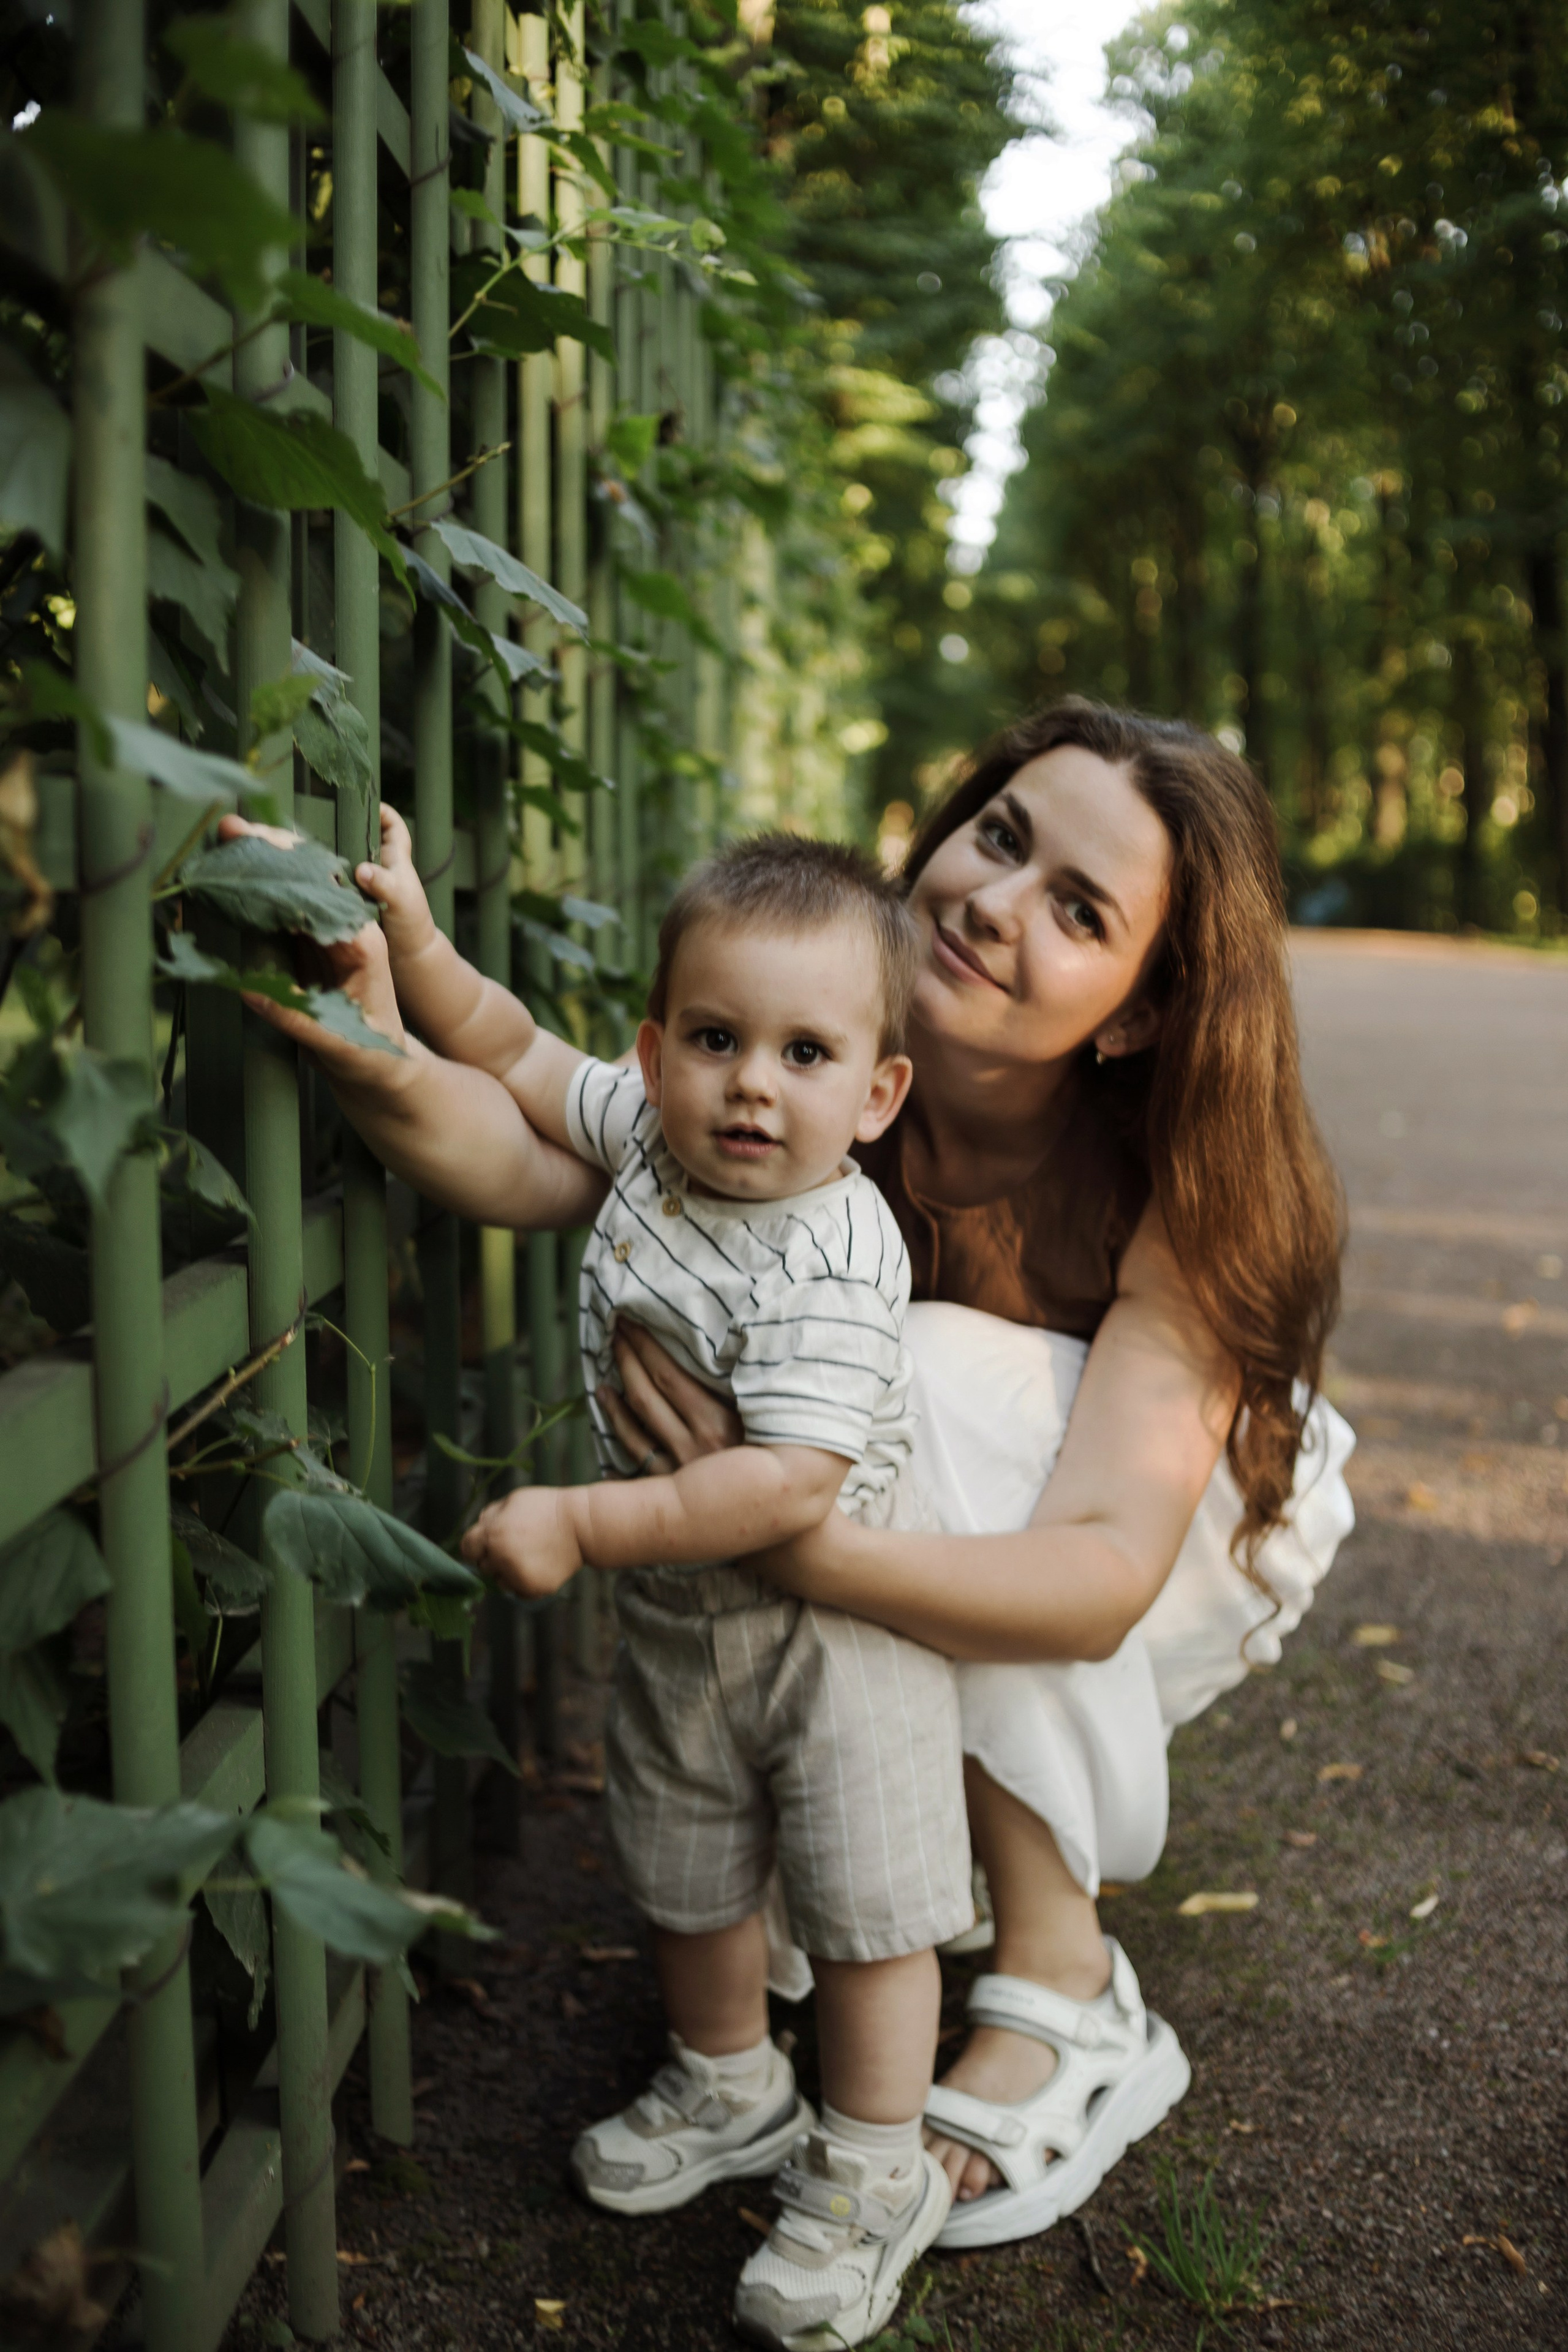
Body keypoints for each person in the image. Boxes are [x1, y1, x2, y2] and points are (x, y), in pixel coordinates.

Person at [578, 700, 1355, 2248]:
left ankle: (1070, 1986)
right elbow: (556, 1137)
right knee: (817, 1353)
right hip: (953, 1486)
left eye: (1079, 913)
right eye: (998, 837)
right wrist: (379, 1034)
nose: (996, 906)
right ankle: (894, 1859)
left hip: (1181, 1529)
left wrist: (778, 1534)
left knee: (902, 1372)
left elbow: (1090, 1578)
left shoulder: (1182, 1180)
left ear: (1135, 1011)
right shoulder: (808, 1040)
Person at [226, 812, 975, 2352]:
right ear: (656, 1050)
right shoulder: (647, 1129)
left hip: (838, 1637)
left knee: (864, 1908)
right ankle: (726, 2079)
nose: (751, 1083)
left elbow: (783, 1484)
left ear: (878, 1091)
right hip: (684, 1621)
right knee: (686, 1862)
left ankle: (874, 2164)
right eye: (714, 1039)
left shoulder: (831, 1256)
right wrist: (410, 947)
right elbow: (504, 1050)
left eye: (804, 1054)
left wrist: (576, 1519)